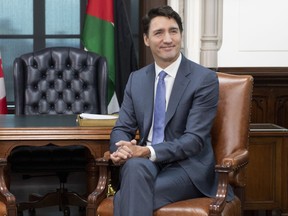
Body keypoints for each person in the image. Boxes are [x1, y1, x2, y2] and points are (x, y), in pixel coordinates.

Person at [109, 5, 233, 216]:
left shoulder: (203, 79)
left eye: (173, 31)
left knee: (126, 196)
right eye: (159, 33)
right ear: (147, 40)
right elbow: (122, 128)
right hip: (146, 164)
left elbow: (193, 140)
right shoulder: (136, 79)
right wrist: (122, 149)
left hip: (187, 168)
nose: (168, 39)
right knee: (132, 168)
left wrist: (146, 151)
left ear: (181, 36)